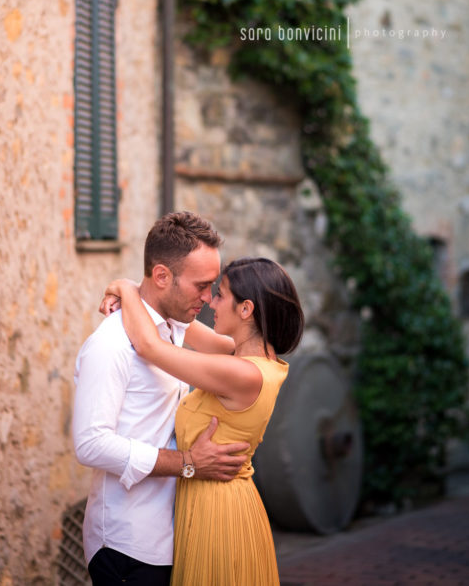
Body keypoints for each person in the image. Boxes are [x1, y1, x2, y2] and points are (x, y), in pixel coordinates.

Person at [102, 255, 304, 586]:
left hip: (219, 512)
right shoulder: (246, 357)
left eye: (220, 294)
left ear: (246, 309)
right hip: (219, 500)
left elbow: (150, 347)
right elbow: (178, 320)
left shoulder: (241, 373)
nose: (210, 300)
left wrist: (124, 287)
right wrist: (139, 292)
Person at [73, 211, 250, 586]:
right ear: (162, 276)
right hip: (127, 546)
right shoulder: (111, 345)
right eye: (201, 286)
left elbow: (231, 348)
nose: (208, 298)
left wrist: (123, 286)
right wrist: (187, 463)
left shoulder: (175, 329)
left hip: (171, 538)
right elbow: (90, 444)